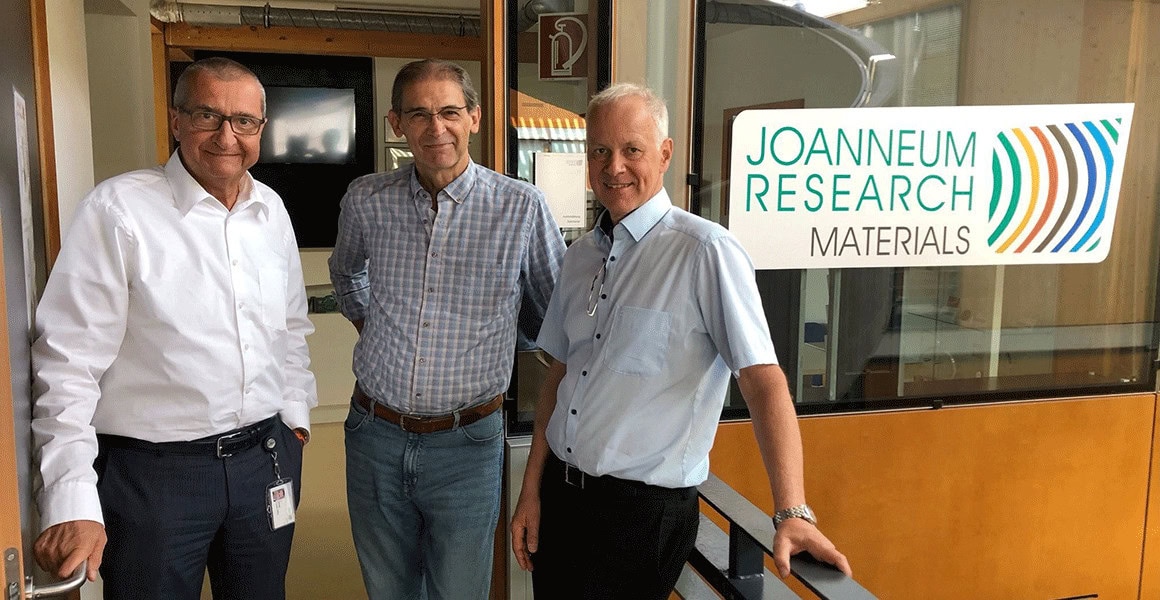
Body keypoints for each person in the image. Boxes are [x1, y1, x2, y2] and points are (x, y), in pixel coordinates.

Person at [510, 83, 852, 599]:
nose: (613, 167)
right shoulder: (580, 256)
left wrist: (792, 509)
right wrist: (531, 488)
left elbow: (763, 382)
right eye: (599, 151)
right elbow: (561, 376)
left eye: (632, 150)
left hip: (640, 517)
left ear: (665, 153)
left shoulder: (705, 252)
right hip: (561, 496)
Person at [30, 57, 317, 599]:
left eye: (245, 121)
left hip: (265, 460)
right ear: (177, 120)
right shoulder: (119, 211)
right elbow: (66, 363)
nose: (227, 136)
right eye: (208, 115)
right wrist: (70, 496)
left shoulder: (271, 210)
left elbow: (290, 329)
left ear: (262, 127)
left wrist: (295, 423)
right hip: (154, 477)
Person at [328, 59, 565, 600]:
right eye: (420, 114)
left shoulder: (521, 208)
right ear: (397, 124)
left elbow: (556, 316)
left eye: (450, 112)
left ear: (474, 118)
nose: (436, 128)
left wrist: (513, 337)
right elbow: (346, 272)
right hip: (374, 434)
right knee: (388, 589)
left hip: (468, 443)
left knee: (460, 590)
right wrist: (373, 324)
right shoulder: (366, 199)